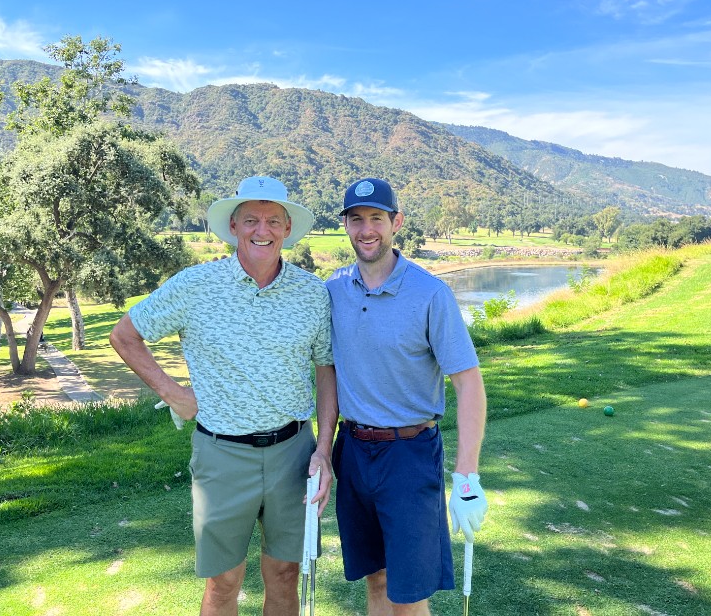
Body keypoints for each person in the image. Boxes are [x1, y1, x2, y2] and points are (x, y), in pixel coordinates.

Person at [109, 175, 336, 616]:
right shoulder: (195, 285)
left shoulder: (313, 293)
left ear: (287, 229)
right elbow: (125, 335)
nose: (262, 230)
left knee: (286, 574)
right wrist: (172, 392)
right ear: (233, 227)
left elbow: (326, 369)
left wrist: (323, 449)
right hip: (222, 454)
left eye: (273, 220)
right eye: (251, 219)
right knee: (223, 581)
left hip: (294, 452)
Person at [326, 177, 489, 616]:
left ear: (396, 222)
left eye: (376, 218)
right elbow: (326, 370)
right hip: (354, 452)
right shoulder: (334, 289)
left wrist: (467, 475)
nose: (366, 230)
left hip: (410, 454)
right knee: (375, 578)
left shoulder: (430, 293)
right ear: (345, 225)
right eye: (356, 219)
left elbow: (469, 384)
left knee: (409, 592)